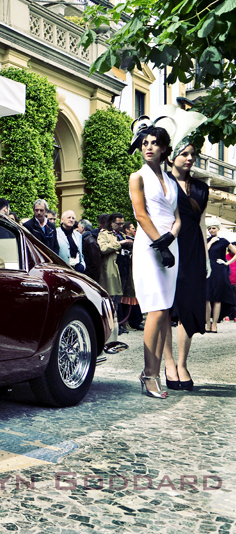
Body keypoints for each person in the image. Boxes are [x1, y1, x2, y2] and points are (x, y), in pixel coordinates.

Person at [129, 123, 180, 398]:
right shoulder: (137, 177)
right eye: (145, 142)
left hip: (171, 245)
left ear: (163, 149)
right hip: (150, 246)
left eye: (154, 143)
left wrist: (171, 238)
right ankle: (149, 374)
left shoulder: (171, 181)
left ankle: (154, 373)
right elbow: (141, 215)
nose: (148, 147)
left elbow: (178, 219)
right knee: (156, 310)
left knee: (165, 312)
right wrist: (162, 245)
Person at [159, 125, 208, 390]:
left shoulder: (201, 187)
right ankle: (168, 363)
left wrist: (208, 259)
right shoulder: (161, 182)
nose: (189, 158)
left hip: (194, 250)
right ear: (171, 157)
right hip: (169, 247)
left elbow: (200, 224)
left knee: (188, 306)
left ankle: (182, 363)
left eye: (192, 154)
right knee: (166, 306)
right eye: (184, 154)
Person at [205, 223, 236, 333]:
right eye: (209, 228)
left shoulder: (224, 241)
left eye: (213, 228)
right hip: (207, 270)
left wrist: (227, 263)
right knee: (207, 298)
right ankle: (208, 323)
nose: (211, 230)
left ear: (218, 229)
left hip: (219, 270)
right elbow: (204, 252)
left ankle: (214, 325)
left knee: (217, 298)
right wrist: (211, 242)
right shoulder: (206, 240)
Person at [98, 214, 124, 331]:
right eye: (118, 223)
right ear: (112, 223)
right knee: (110, 298)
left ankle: (118, 325)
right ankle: (109, 327)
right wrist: (120, 244)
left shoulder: (120, 234)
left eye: (122, 223)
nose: (121, 226)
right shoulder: (104, 234)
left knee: (118, 298)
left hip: (122, 268)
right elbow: (102, 248)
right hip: (110, 270)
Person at [79, 218, 102, 284]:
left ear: (82, 228)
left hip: (89, 276)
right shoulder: (88, 239)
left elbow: (95, 262)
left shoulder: (89, 241)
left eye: (78, 227)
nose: (77, 229)